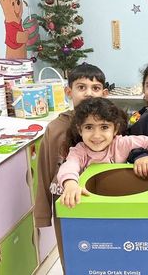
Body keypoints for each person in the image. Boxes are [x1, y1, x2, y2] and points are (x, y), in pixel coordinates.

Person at [34, 62, 108, 270]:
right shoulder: (56, 128)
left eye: (95, 88)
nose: (88, 94)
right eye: (81, 87)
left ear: (104, 92)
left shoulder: (110, 125)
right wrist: (42, 212)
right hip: (65, 203)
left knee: (105, 253)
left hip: (102, 200)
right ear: (69, 91)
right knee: (73, 257)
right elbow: (44, 170)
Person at [58, 98, 148, 208]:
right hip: (92, 204)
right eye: (89, 127)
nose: (96, 135)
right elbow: (69, 166)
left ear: (115, 129)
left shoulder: (121, 143)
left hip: (118, 202)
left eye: (104, 127)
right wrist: (70, 184)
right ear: (80, 129)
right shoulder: (80, 151)